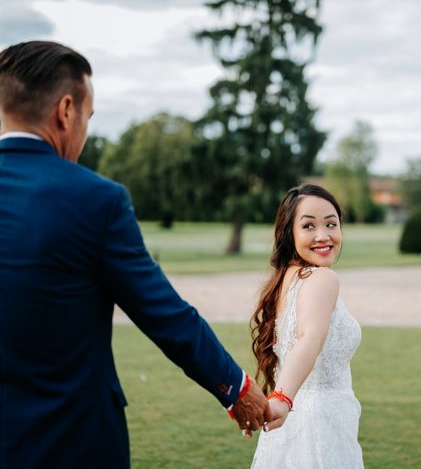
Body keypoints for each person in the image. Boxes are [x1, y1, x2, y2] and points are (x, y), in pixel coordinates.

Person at [0, 40, 270, 469]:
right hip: (73, 440)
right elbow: (164, 314)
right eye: (87, 118)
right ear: (65, 110)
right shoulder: (96, 201)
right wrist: (237, 389)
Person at [250, 184, 364, 468]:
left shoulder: (285, 279)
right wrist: (283, 398)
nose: (323, 235)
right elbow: (309, 339)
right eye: (309, 226)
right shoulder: (323, 279)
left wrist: (280, 400)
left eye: (331, 223)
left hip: (291, 424)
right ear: (290, 232)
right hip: (320, 423)